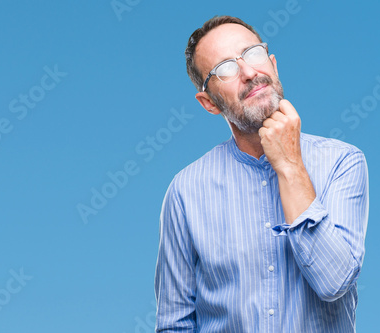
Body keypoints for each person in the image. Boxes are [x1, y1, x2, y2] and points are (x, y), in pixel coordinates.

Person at [154, 16, 369, 332]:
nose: (249, 73)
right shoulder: (186, 191)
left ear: (273, 65)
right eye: (225, 68)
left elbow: (333, 281)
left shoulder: (343, 162)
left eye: (252, 54)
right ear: (209, 102)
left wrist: (289, 165)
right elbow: (174, 324)